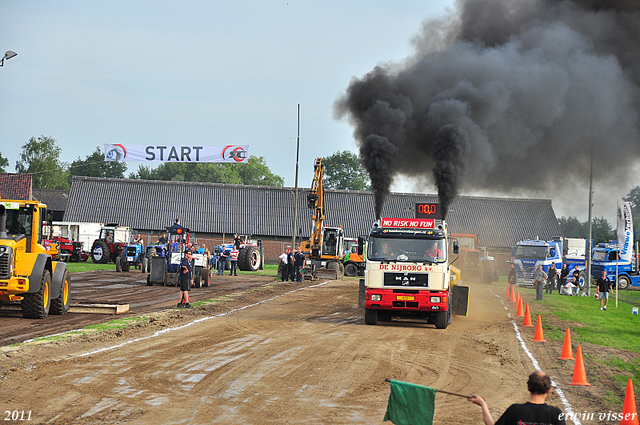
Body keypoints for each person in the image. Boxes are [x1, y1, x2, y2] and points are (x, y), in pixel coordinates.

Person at [468, 371, 566, 425]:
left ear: (528, 387)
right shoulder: (556, 413)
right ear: (548, 390)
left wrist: (483, 404)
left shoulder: (515, 410)